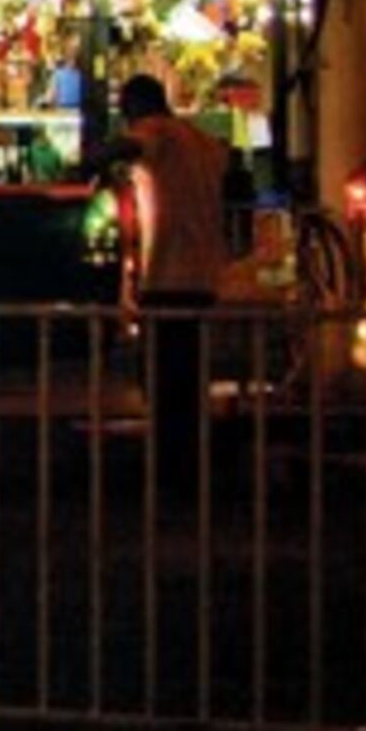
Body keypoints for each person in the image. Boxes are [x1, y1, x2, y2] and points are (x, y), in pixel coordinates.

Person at [94, 73, 234, 480]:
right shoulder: (200, 140)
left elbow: (129, 145)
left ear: (137, 107)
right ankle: (189, 458)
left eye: (125, 109)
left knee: (164, 376)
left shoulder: (155, 133)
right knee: (189, 375)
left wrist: (90, 160)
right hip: (206, 272)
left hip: (170, 273)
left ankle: (173, 464)